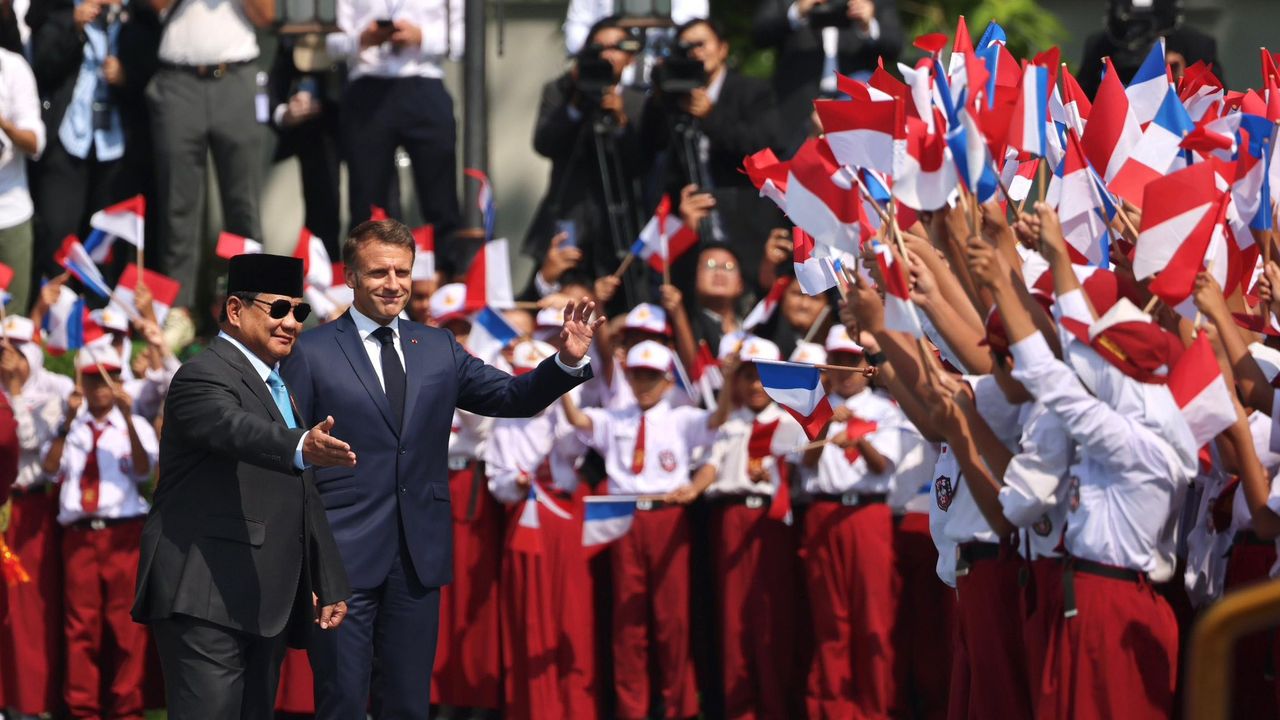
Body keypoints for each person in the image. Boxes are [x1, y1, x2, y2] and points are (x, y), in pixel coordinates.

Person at [280, 218, 601, 719]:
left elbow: (510, 396)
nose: (393, 284)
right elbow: (290, 454)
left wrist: (564, 362)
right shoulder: (311, 350)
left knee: (409, 704)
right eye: (379, 272)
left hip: (417, 556)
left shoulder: (437, 347)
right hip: (341, 557)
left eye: (402, 272)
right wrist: (308, 557)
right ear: (350, 277)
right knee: (341, 700)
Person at [131, 253, 356, 719]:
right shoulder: (201, 374)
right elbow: (236, 430)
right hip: (204, 594)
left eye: (299, 311)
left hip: (260, 597)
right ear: (235, 310)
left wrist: (328, 575)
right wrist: (299, 443)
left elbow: (300, 490)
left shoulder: (278, 385)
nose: (291, 322)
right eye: (278, 309)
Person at [560, 339, 722, 720]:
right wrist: (564, 377)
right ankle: (632, 708)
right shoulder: (616, 417)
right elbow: (579, 420)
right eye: (636, 375)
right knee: (628, 619)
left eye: (651, 376)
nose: (643, 383)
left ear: (668, 381)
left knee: (672, 618)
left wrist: (726, 382)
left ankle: (678, 706)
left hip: (666, 515)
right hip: (624, 516)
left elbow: (717, 421)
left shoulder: (681, 417)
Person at [42, 343, 156, 719]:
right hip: (79, 537)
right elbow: (49, 469)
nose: (99, 388)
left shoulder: (134, 424)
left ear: (118, 383)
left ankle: (127, 709)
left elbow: (143, 472)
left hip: (122, 533)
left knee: (126, 630)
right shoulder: (70, 425)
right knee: (81, 630)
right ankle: (82, 709)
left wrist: (126, 419)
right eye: (91, 380)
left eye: (106, 380)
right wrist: (64, 423)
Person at [148, 0, 275, 306]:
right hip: (178, 80)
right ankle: (180, 309)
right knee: (178, 205)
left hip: (235, 75)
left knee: (242, 203)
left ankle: (252, 303)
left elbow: (266, 16)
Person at [640, 17, 784, 275]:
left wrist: (711, 116)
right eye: (686, 47)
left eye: (701, 44)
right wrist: (660, 94)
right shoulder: (672, 98)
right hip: (689, 226)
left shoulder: (752, 91)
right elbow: (648, 152)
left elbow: (765, 148)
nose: (695, 52)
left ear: (722, 48)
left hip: (744, 224)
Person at [29, 0, 159, 283]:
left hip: (117, 146)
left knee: (109, 240)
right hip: (67, 139)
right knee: (57, 229)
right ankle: (54, 308)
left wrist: (127, 77)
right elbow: (41, 65)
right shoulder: (59, 11)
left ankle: (100, 315)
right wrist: (73, 28)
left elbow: (153, 75)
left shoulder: (139, 17)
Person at [326, 0, 464, 247]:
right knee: (366, 200)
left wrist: (420, 36)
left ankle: (448, 271)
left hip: (424, 79)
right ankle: (368, 274)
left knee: (440, 195)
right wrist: (364, 38)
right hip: (367, 83)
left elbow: (462, 41)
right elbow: (331, 42)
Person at [525, 16, 645, 282]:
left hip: (618, 218)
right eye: (599, 48)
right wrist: (576, 103)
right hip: (568, 212)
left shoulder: (638, 101)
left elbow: (641, 163)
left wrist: (620, 120)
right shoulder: (561, 91)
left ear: (630, 58)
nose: (607, 55)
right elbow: (544, 143)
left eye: (616, 48)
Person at [0, 318, 66, 719]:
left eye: (17, 347)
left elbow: (24, 441)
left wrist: (17, 391)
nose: (7, 354)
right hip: (5, 508)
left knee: (26, 610)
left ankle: (30, 703)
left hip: (31, 511)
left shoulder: (48, 394)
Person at [752, 0, 903, 152]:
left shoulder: (875, 3)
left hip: (855, 108)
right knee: (796, 168)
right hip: (797, 108)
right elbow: (759, 34)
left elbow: (895, 46)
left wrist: (869, 25)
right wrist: (797, 11)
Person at [0, 22, 45, 312]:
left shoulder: (12, 67)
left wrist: (4, 123)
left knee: (12, 329)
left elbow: (35, 142)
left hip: (11, 213)